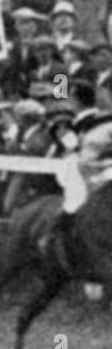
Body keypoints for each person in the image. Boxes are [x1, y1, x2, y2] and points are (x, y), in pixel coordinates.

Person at [45, 80, 112, 273]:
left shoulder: (74, 124)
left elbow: (76, 152)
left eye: (69, 98)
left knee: (73, 204)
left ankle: (54, 240)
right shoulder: (99, 119)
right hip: (98, 170)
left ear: (75, 99)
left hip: (96, 175)